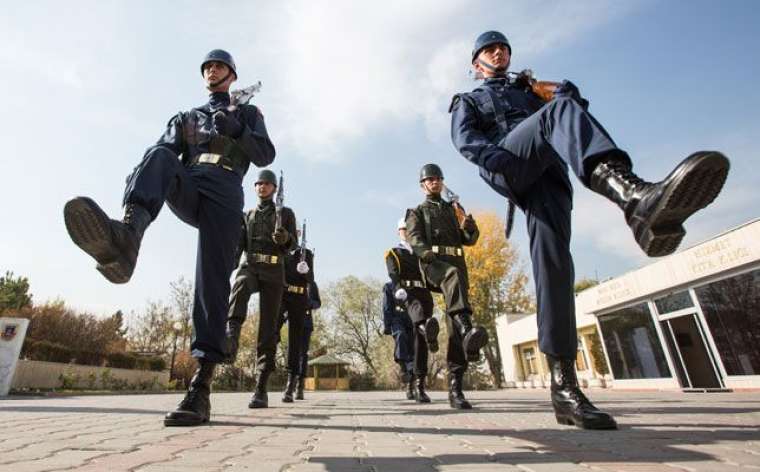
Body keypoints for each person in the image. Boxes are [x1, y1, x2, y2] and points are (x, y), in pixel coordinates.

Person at [450, 31, 730, 429]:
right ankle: (632, 197)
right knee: (555, 113)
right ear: (477, 62)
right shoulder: (470, 99)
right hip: (507, 161)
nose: (499, 52)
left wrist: (560, 90)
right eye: (490, 49)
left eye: (504, 48)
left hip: (549, 175)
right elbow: (466, 139)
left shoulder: (532, 90)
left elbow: (576, 115)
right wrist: (499, 159)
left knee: (556, 268)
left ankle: (564, 390)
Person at [63, 49, 275, 427]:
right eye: (208, 66)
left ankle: (201, 388)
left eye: (219, 66)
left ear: (232, 74)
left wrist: (238, 129)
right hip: (191, 182)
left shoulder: (247, 112)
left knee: (211, 281)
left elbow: (265, 155)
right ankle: (126, 239)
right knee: (159, 156)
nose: (212, 70)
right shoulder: (186, 116)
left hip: (226, 190)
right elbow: (160, 153)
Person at [406, 164, 488, 409]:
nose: (434, 182)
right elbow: (415, 238)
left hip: (456, 264)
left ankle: (456, 389)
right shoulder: (416, 211)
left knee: (454, 325)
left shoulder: (454, 209)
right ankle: (466, 326)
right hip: (434, 264)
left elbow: (469, 240)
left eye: (438, 179)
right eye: (429, 180)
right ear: (423, 185)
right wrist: (424, 253)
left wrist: (469, 225)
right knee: (453, 282)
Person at [224, 169, 297, 409]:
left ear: (274, 188)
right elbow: (238, 245)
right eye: (258, 184)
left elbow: (292, 246)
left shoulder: (285, 213)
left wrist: (284, 238)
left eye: (267, 184)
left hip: (274, 271)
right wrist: (228, 266)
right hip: (252, 265)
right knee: (240, 284)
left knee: (268, 327)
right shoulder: (249, 215)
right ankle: (231, 333)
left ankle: (261, 386)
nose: (262, 187)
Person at [383, 218, 439, 403]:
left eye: (410, 229)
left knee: (420, 343)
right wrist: (398, 286)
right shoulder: (393, 252)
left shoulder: (421, 253)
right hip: (407, 294)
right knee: (410, 337)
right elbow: (392, 272)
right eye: (404, 229)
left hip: (423, 293)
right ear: (398, 231)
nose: (407, 231)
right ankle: (411, 383)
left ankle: (420, 386)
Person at [276, 231, 315, 403]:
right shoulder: (278, 250)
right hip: (281, 296)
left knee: (295, 342)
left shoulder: (306, 254)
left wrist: (305, 271)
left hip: (299, 298)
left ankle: (291, 384)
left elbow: (311, 279)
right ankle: (263, 373)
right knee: (270, 331)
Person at [295, 280, 321, 400]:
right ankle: (290, 384)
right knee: (292, 353)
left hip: (306, 323)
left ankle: (300, 386)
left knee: (303, 355)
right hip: (292, 321)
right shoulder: (290, 277)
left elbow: (318, 303)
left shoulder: (312, 283)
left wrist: (308, 303)